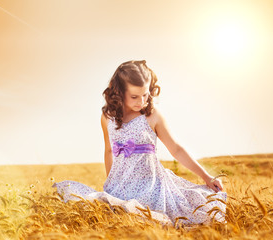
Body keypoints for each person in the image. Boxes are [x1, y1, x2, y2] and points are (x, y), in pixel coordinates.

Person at [52, 60, 227, 227]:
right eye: (134, 96)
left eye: (145, 95)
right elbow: (108, 151)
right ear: (119, 92)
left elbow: (176, 149)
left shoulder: (152, 116)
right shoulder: (107, 117)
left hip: (152, 186)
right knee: (114, 216)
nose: (141, 101)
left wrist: (206, 176)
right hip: (121, 184)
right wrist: (110, 184)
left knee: (154, 218)